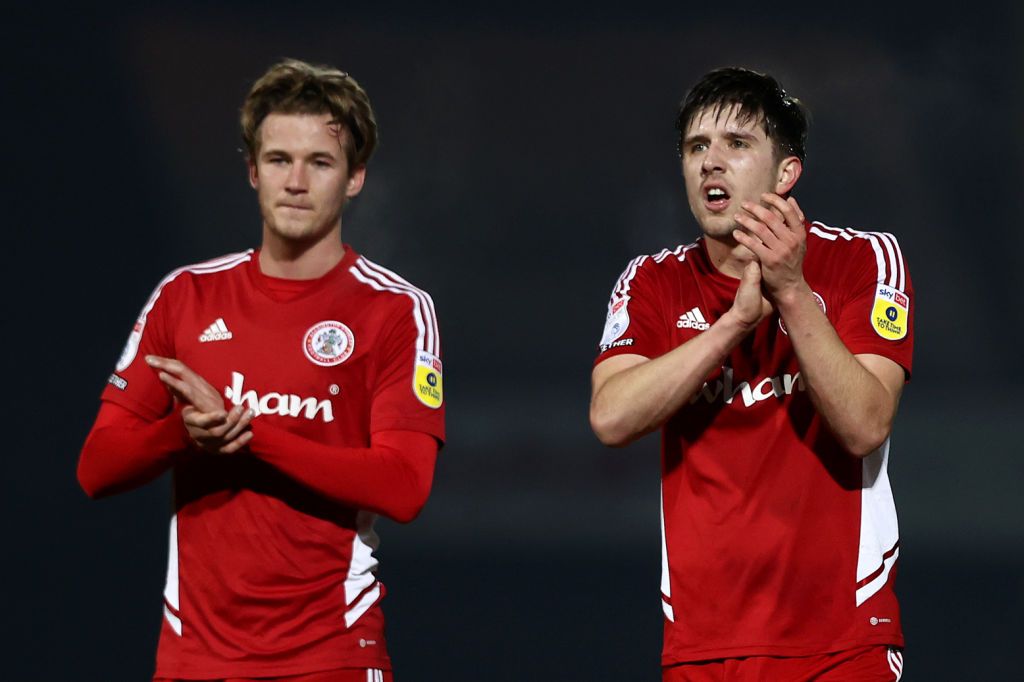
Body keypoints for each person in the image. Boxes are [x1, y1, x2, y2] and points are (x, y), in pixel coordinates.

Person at [77, 59, 444, 682]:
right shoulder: (184, 296)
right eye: (278, 160)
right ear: (252, 170)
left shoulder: (394, 309)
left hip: (330, 655)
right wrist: (183, 435)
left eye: (320, 163)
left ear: (355, 178)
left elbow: (405, 486)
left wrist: (246, 434)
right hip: (194, 660)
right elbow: (96, 468)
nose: (295, 181)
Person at [589, 67, 912, 681]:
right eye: (696, 147)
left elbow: (866, 423)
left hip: (842, 641)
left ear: (786, 173)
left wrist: (790, 291)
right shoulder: (651, 280)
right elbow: (611, 416)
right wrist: (731, 327)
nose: (711, 162)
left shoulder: (862, 259)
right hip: (703, 648)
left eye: (737, 144)